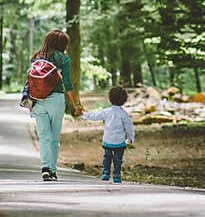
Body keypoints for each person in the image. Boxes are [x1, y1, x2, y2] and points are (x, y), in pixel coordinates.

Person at [28, 30, 78, 182]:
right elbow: (68, 84)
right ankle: (53, 171)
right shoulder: (63, 58)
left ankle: (44, 168)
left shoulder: (36, 57)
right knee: (54, 138)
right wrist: (76, 104)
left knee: (44, 137)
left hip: (38, 100)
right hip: (56, 100)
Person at [74, 86, 135, 183]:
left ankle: (106, 173)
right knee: (118, 159)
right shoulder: (124, 114)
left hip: (108, 141)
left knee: (107, 157)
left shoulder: (107, 112)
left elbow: (95, 116)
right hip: (120, 142)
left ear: (110, 99)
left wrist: (83, 113)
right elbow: (129, 127)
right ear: (124, 100)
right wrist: (131, 138)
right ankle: (116, 175)